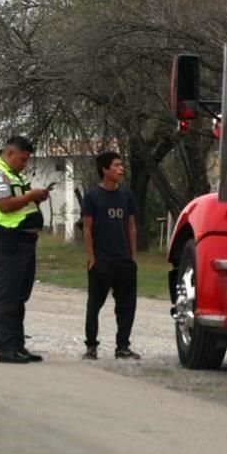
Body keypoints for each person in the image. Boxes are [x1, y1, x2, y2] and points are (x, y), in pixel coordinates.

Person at [0, 136, 50, 364]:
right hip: (9, 240)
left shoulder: (14, 174)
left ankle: (18, 345)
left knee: (20, 297)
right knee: (8, 297)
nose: (24, 164)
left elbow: (20, 203)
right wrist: (31, 195)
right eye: (22, 159)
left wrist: (35, 199)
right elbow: (5, 205)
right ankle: (7, 348)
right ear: (10, 154)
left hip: (25, 241)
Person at [82, 151, 140, 360]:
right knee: (94, 305)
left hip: (123, 261)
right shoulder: (92, 197)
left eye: (122, 165)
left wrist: (133, 257)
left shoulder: (127, 196)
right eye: (116, 165)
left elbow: (131, 226)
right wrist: (92, 258)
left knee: (126, 306)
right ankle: (91, 346)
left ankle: (122, 346)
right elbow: (87, 229)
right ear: (105, 170)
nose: (121, 169)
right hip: (101, 262)